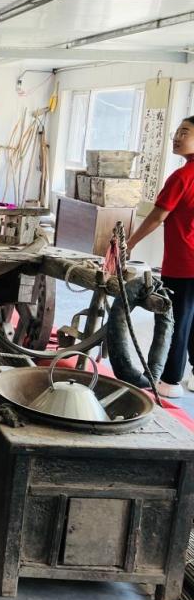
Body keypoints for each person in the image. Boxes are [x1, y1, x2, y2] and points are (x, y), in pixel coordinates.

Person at [127, 115, 194, 398]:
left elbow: (157, 216)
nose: (177, 137)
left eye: (185, 132)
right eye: (177, 132)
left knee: (174, 320)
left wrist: (129, 243)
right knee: (192, 320)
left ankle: (170, 380)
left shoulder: (182, 177)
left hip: (184, 262)